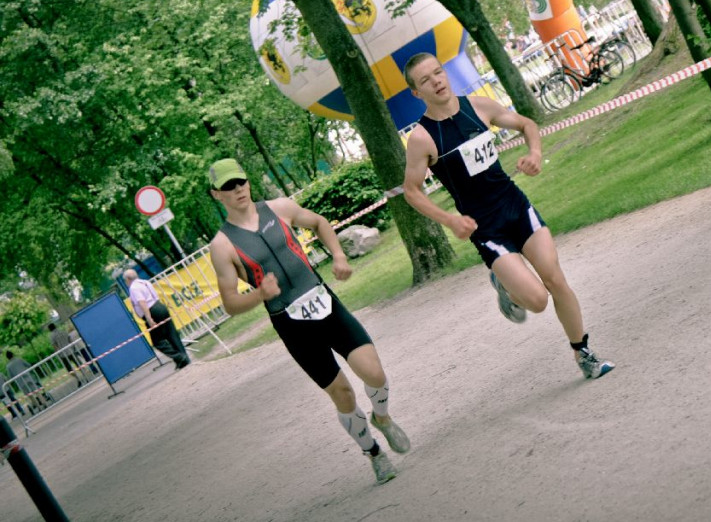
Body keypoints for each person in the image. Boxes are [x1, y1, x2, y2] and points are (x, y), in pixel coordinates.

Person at [402, 52, 615, 380]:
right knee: (537, 300)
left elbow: (527, 124)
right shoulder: (422, 138)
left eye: (438, 72)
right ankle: (504, 284)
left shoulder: (479, 107)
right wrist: (450, 220)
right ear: (417, 92)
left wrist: (535, 153)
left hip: (516, 206)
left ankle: (582, 351)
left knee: (556, 280)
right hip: (486, 228)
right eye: (425, 80)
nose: (436, 82)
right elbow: (411, 190)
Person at [207, 158, 408, 485]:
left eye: (240, 181)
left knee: (374, 371)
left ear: (247, 182)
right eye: (228, 187)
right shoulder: (221, 245)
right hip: (291, 325)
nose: (238, 189)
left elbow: (319, 222)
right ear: (217, 195)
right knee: (343, 394)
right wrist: (259, 295)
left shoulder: (279, 207)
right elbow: (230, 302)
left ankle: (382, 419)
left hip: (324, 302)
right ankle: (373, 452)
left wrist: (338, 256)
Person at [124, 269, 191, 370]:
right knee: (171, 334)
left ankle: (179, 357)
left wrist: (149, 318)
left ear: (128, 279)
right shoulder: (145, 282)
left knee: (157, 341)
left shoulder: (134, 288)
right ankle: (184, 358)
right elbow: (155, 296)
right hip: (159, 306)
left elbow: (142, 302)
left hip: (152, 311)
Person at [48, 322, 85, 386]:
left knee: (69, 369)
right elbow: (70, 340)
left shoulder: (52, 336)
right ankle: (84, 376)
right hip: (70, 351)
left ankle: (78, 379)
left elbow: (55, 346)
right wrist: (73, 348)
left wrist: (58, 353)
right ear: (55, 326)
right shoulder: (63, 331)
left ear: (50, 329)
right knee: (78, 364)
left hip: (63, 354)